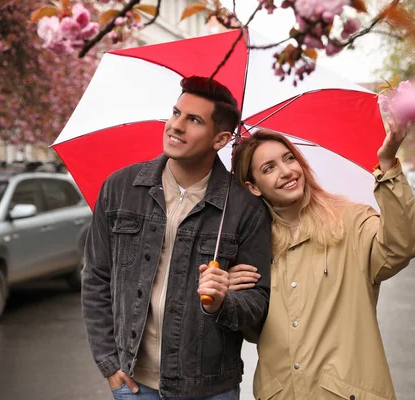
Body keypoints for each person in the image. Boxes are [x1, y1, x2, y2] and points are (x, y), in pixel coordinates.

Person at [82, 76, 272, 400]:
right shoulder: (120, 189)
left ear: (221, 138)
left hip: (209, 387)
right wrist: (109, 364)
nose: (176, 126)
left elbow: (258, 302)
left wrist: (222, 302)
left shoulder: (245, 209)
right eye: (175, 113)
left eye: (194, 120)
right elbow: (97, 278)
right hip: (133, 383)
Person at [229, 124, 415, 400]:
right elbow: (253, 330)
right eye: (269, 168)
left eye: (289, 158)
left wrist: (388, 164)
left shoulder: (349, 220)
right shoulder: (251, 246)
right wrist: (230, 293)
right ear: (253, 187)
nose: (286, 171)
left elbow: (401, 246)